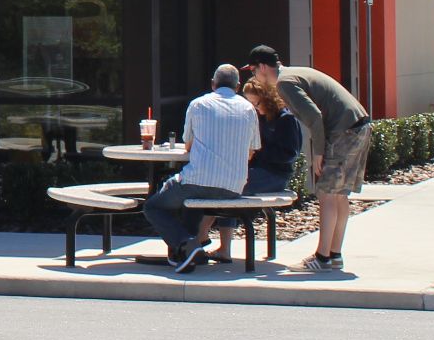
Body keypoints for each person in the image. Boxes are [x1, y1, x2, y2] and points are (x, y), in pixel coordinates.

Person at [247, 44, 370, 272]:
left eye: (253, 70)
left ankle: (322, 258)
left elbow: (314, 116)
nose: (254, 76)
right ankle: (333, 255)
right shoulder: (293, 73)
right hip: (358, 125)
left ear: (263, 67)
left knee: (326, 193)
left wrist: (318, 153)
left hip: (344, 130)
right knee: (338, 195)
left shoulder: (284, 83)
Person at [142, 63, 261, 273]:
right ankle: (187, 253)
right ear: (238, 85)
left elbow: (187, 145)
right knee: (190, 203)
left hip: (197, 181)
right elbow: (252, 151)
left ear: (213, 84)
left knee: (153, 206)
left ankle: (186, 244)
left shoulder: (198, 104)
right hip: (234, 186)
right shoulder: (248, 108)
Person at [196, 72, 303, 260]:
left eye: (257, 104)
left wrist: (259, 151)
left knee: (227, 185)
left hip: (275, 174)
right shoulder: (257, 118)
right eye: (250, 104)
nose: (253, 108)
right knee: (224, 183)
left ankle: (202, 235)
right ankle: (221, 247)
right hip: (254, 170)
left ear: (268, 99)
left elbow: (290, 154)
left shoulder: (285, 119)